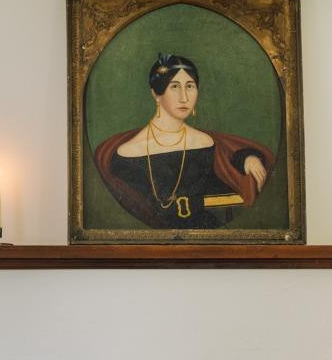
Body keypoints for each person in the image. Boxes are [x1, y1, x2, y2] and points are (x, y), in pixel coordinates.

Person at [93, 53, 275, 229]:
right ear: (156, 94)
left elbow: (228, 162)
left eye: (190, 86)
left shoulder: (207, 143)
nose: (184, 97)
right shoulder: (126, 153)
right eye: (174, 86)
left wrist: (248, 158)